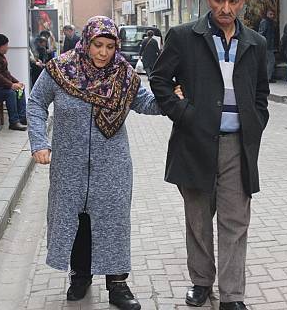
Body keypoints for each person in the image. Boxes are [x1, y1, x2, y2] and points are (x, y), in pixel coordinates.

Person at [26, 16, 182, 310]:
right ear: (86, 43)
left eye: (110, 46)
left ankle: (118, 285)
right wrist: (39, 142)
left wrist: (168, 100)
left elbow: (145, 103)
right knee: (78, 221)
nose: (103, 52)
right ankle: (80, 276)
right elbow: (35, 103)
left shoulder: (123, 74)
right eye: (98, 45)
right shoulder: (60, 70)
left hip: (112, 164)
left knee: (112, 222)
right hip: (69, 166)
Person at [149, 0, 270, 310]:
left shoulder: (256, 43)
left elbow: (261, 91)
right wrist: (183, 113)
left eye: (233, 1)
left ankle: (232, 295)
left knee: (235, 221)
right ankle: (201, 282)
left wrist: (257, 121)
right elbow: (159, 80)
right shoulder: (184, 36)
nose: (225, 8)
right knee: (199, 219)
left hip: (238, 145)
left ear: (242, 2)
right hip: (195, 143)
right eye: (219, 0)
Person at [258, 9, 277, 83]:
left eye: (273, 14)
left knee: (267, 62)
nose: (272, 16)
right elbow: (261, 33)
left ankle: (266, 77)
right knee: (271, 61)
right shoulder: (266, 22)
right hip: (267, 45)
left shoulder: (269, 22)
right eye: (270, 14)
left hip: (268, 45)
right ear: (267, 14)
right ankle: (268, 77)